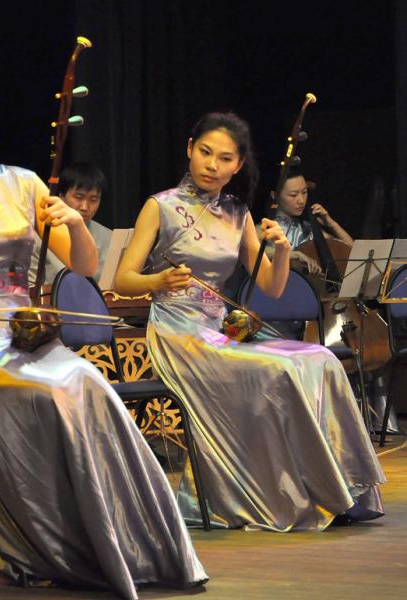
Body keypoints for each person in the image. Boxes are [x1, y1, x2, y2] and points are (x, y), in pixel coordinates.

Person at [0, 65, 207, 598]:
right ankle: (52, 543)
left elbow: (84, 267)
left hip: (23, 334)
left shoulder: (24, 183)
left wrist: (74, 223)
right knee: (47, 396)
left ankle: (132, 542)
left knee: (90, 386)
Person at [114, 112, 385, 531]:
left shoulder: (237, 213)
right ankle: (280, 493)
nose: (212, 165)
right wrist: (159, 279)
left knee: (319, 358)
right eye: (205, 153)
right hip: (177, 333)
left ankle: (338, 489)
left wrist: (278, 250)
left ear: (237, 165)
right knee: (278, 368)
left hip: (221, 331)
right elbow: (123, 279)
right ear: (189, 149)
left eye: (224, 158)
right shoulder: (160, 206)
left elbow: (271, 289)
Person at [28, 162, 112, 285]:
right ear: (61, 197)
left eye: (93, 200)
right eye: (78, 197)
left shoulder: (109, 237)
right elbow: (30, 287)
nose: (85, 207)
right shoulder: (41, 235)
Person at [260, 168, 354, 275]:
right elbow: (253, 251)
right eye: (293, 195)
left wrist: (331, 223)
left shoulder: (307, 228)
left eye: (304, 192)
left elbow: (351, 251)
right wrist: (296, 254)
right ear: (275, 195)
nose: (301, 200)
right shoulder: (266, 226)